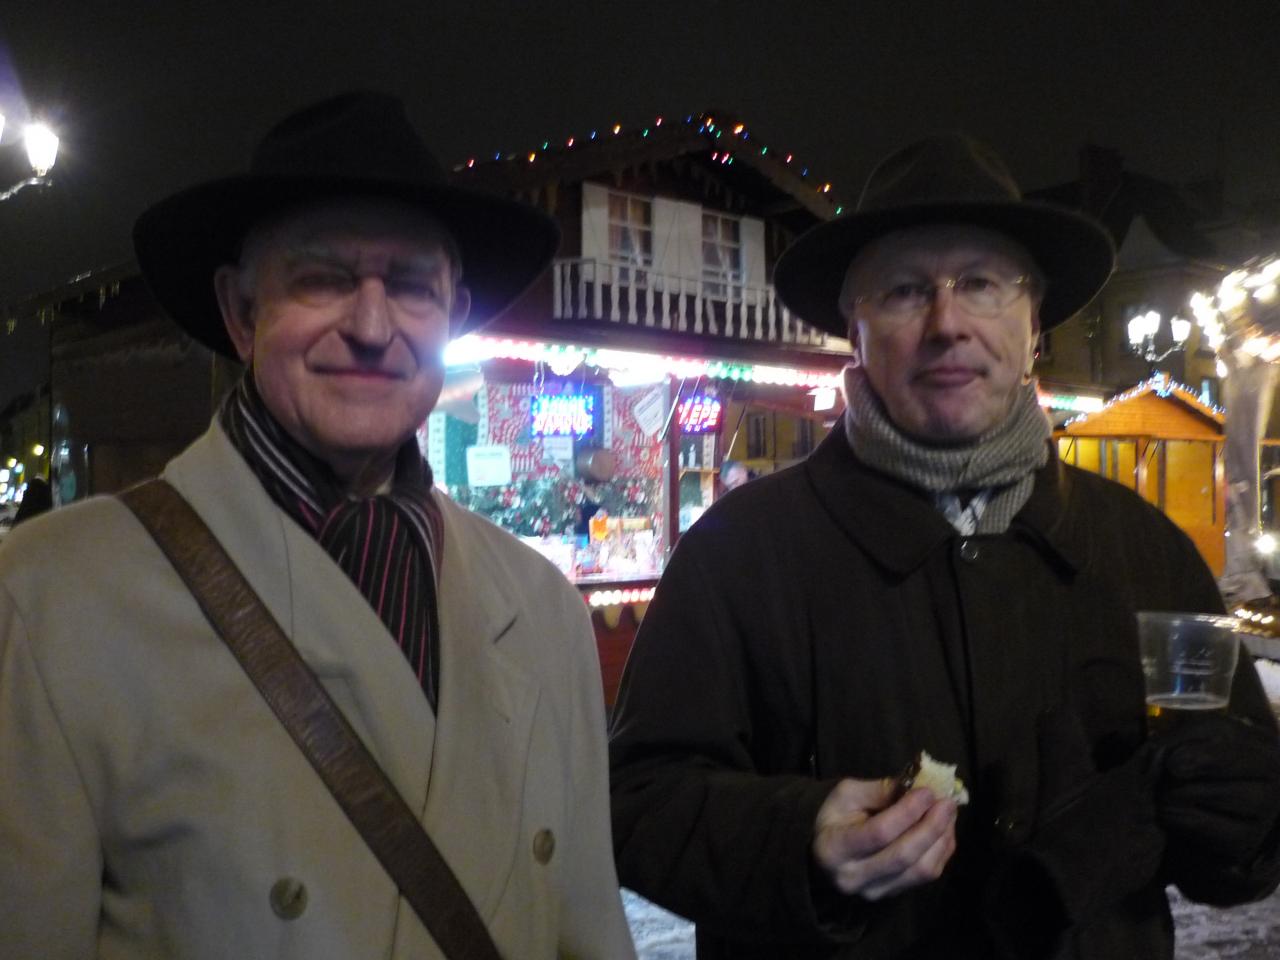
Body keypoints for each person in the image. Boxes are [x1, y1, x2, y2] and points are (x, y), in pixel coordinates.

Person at [608, 134, 1280, 958]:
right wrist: (797, 839)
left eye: (982, 284)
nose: (947, 322)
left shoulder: (1146, 551)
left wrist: (1241, 818)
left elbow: (1241, 839)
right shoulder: (740, 554)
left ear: (1035, 323)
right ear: (854, 331)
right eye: (903, 290)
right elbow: (638, 799)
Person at [0, 92, 634, 959]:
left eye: (412, 286)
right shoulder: (45, 600)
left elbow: (587, 935)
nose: (373, 327)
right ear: (239, 312)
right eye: (324, 278)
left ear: (453, 313)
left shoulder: (542, 606)